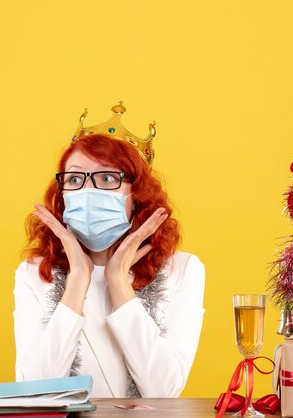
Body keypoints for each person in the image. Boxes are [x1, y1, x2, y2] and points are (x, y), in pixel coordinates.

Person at [13, 122, 205, 398]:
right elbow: (34, 391)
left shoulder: (183, 270)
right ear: (62, 193)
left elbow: (164, 391)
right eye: (75, 179)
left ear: (136, 194)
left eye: (107, 178)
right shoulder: (33, 274)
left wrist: (117, 282)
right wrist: (78, 277)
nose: (89, 192)